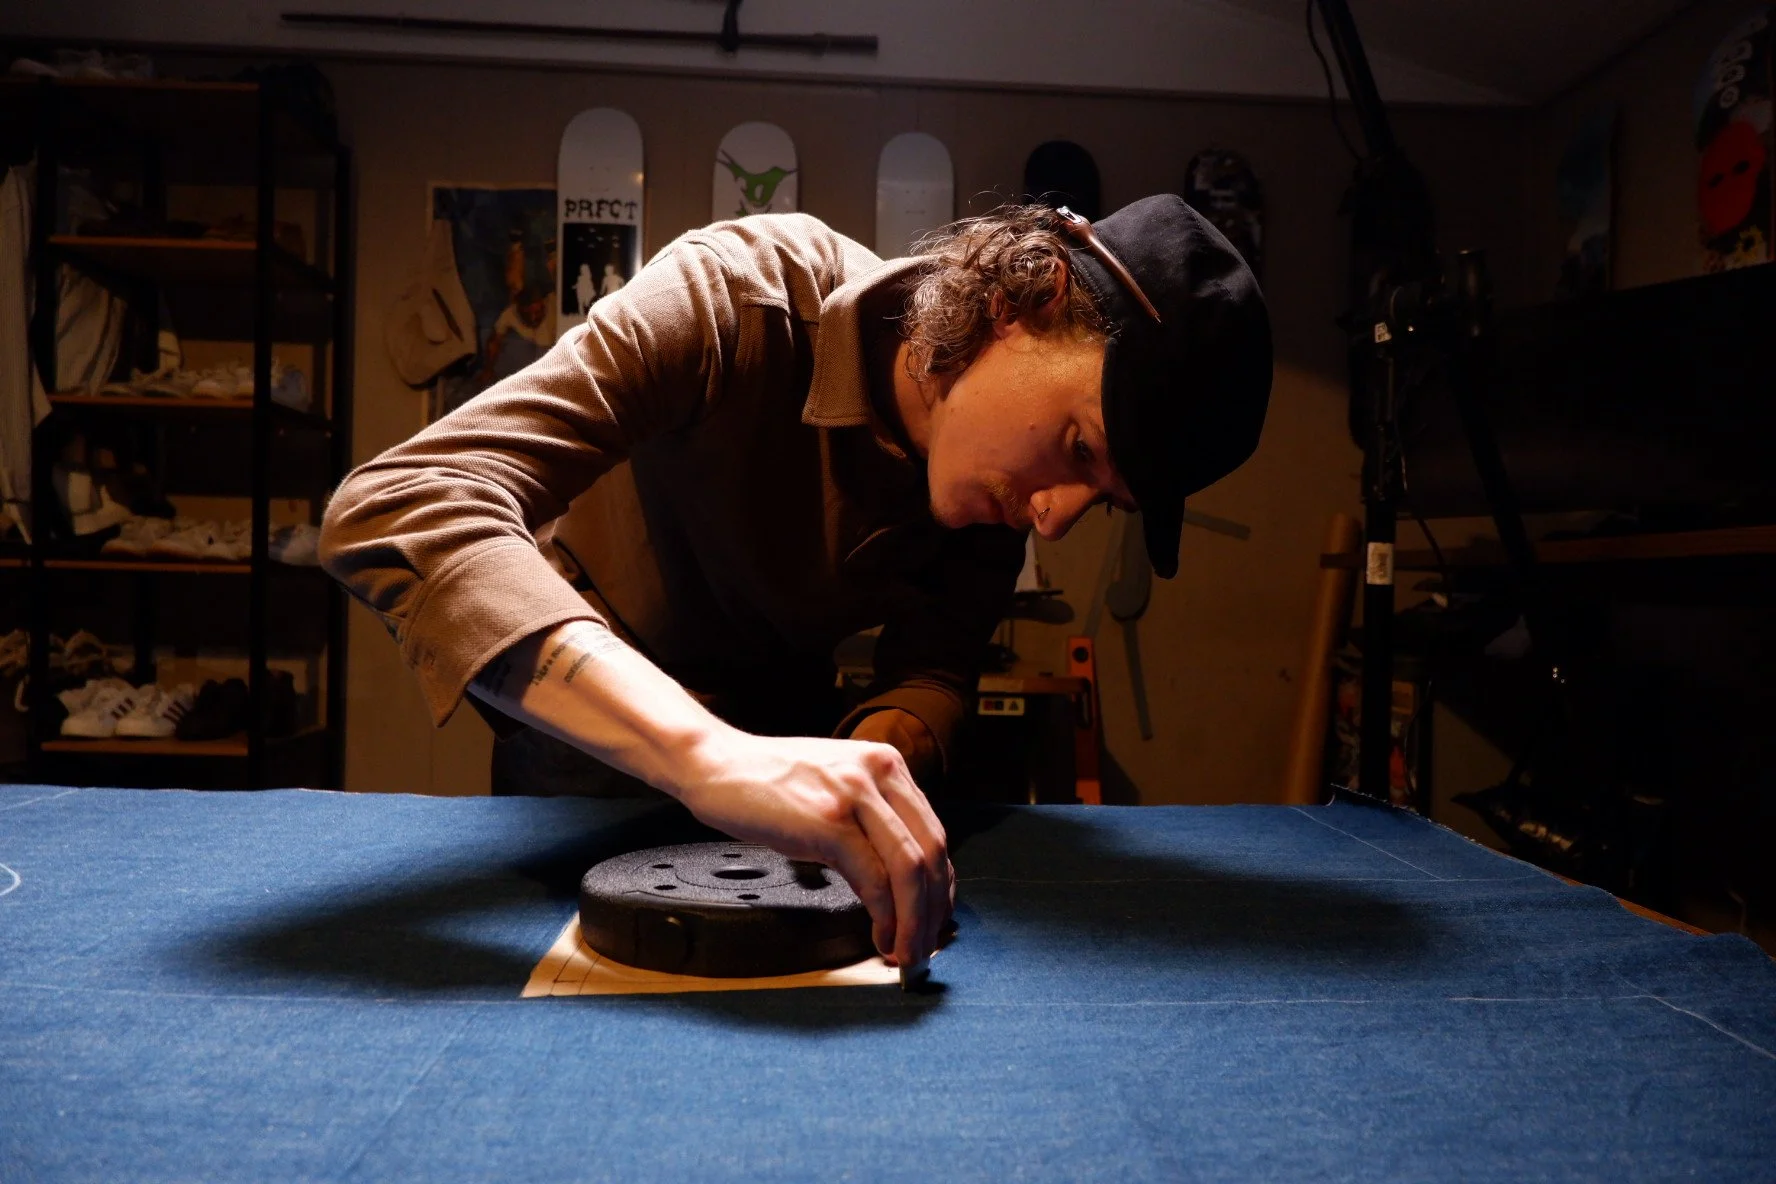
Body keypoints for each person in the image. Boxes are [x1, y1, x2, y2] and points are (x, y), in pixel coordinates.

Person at [319, 195, 1272, 982]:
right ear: (1021, 303)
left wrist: (881, 754)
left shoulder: (996, 493)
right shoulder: (737, 294)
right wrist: (706, 756)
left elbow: (932, 664)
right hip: (586, 735)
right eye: (1080, 450)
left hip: (787, 741)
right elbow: (399, 501)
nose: (1056, 518)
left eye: (1100, 501)